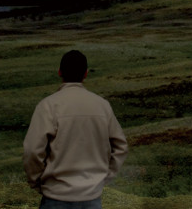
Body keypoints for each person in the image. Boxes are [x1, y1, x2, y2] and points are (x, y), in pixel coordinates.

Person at [23, 50, 128, 208]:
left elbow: (32, 150)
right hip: (91, 197)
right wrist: (104, 178)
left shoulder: (48, 106)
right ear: (85, 74)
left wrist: (37, 181)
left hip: (55, 196)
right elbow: (121, 146)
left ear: (60, 72)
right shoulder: (102, 106)